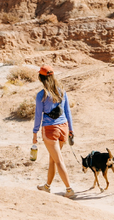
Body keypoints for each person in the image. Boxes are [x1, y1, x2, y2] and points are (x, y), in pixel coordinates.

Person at [31, 64, 76, 199]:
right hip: (63, 127)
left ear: (41, 78)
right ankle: (47, 187)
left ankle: (69, 189)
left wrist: (34, 134)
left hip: (50, 130)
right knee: (53, 159)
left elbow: (38, 115)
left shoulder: (42, 95)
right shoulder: (62, 91)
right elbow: (68, 111)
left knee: (58, 160)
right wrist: (71, 130)